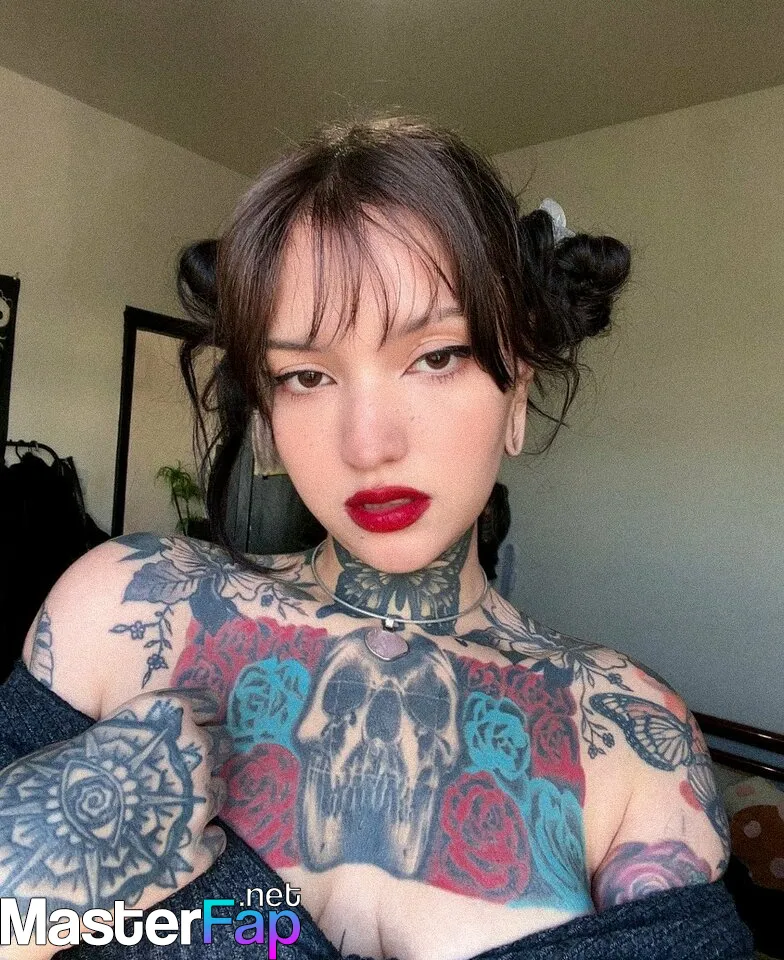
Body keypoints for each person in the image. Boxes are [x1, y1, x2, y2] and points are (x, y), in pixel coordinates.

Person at [0, 117, 751, 959]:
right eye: (307, 375)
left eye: (436, 356)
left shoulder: (630, 731)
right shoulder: (129, 605)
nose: (368, 444)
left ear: (517, 388)